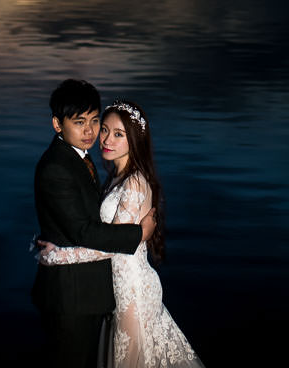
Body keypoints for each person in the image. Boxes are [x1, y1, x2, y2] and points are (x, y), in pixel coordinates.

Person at [38, 98, 204, 368]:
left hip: (132, 289)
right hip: (116, 287)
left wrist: (59, 256)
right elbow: (101, 233)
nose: (106, 139)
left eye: (118, 134)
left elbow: (112, 245)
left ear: (134, 141)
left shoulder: (135, 182)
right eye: (104, 129)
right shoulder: (115, 177)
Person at [33, 79, 156, 368]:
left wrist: (57, 254)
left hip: (94, 293)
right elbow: (82, 231)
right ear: (57, 124)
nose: (90, 132)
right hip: (72, 298)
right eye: (79, 122)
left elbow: (81, 225)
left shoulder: (83, 161)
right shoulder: (57, 167)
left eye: (94, 121)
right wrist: (139, 234)